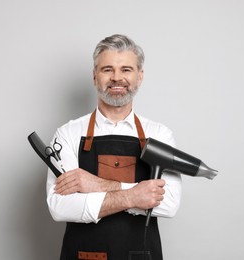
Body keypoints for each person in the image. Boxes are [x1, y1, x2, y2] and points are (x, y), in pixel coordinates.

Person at [46, 34, 182, 260]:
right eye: (107, 69)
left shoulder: (159, 134)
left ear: (140, 76)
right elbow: (60, 206)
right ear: (94, 76)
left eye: (126, 69)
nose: (116, 78)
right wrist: (135, 196)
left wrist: (94, 184)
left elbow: (168, 204)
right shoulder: (68, 133)